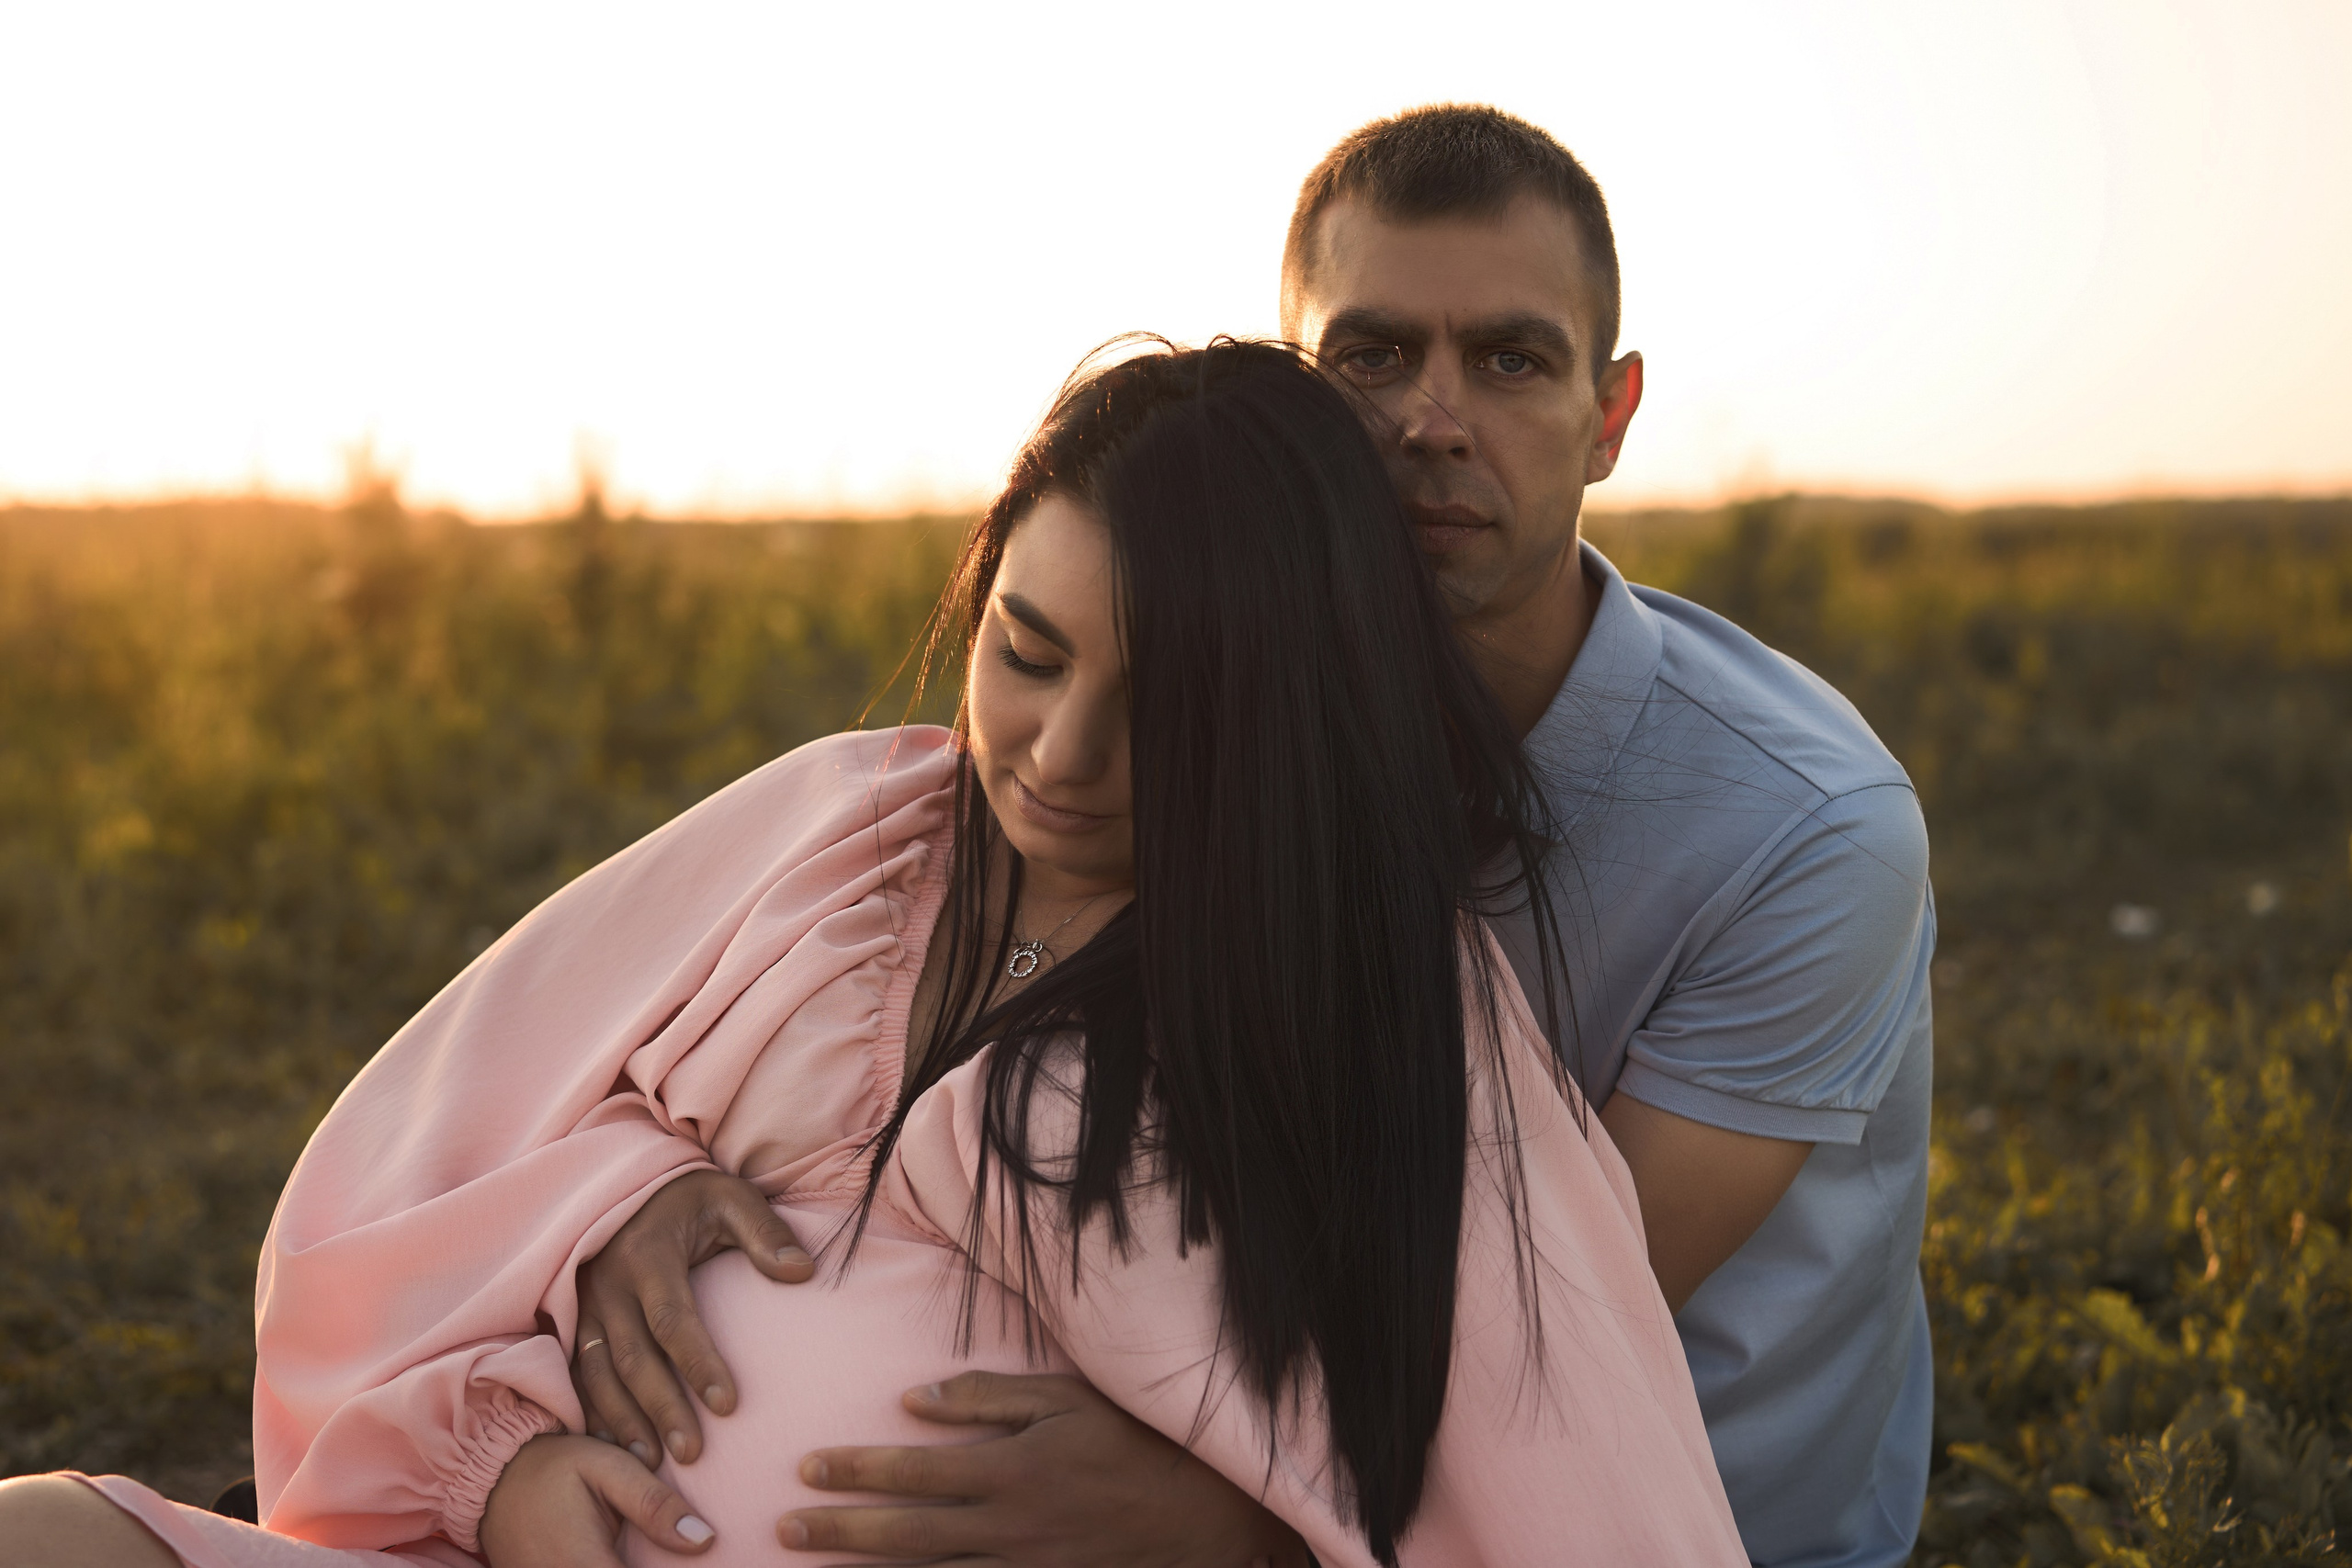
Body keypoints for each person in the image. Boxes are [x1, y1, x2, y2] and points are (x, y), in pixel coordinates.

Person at [0, 341, 1749, 1568]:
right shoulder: (840, 833)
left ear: (1290, 712)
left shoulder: (1375, 1010)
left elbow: (1574, 1495)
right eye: (1028, 652)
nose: (1061, 755)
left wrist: (1245, 1541)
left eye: (1169, 710)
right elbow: (415, 1175)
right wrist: (521, 1429)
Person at [573, 107, 1936, 1568]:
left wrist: (1232, 1515)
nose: (1430, 421)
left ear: (1610, 417)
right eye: (1373, 357)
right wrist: (636, 1201)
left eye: (1511, 361)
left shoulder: (1803, 830)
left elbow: (1551, 1357)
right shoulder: (1185, 718)